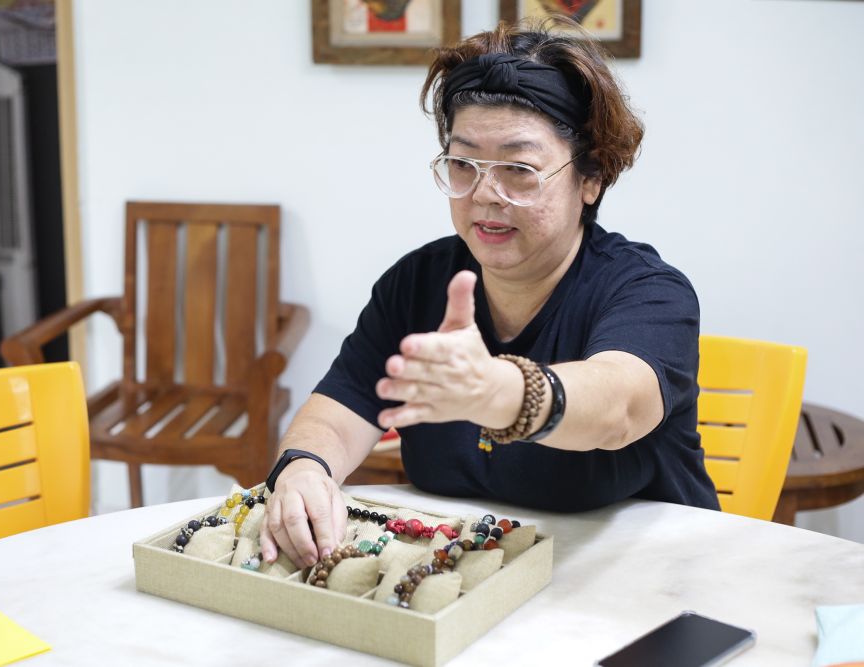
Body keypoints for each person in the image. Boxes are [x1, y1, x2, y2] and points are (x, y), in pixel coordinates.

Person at [259, 19, 719, 570]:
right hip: (475, 588)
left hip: (642, 585)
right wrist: (305, 468)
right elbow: (340, 409)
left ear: (591, 177)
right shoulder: (419, 283)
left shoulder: (647, 291)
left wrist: (497, 391)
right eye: (463, 163)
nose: (484, 195)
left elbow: (617, 407)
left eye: (519, 169)